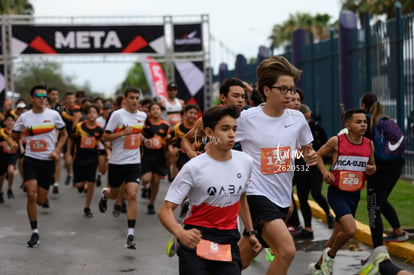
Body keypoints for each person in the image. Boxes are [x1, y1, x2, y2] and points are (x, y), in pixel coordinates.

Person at [236, 56, 318, 274]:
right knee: (286, 250)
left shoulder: (297, 118)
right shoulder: (247, 118)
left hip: (281, 198)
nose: (289, 95)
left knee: (240, 259)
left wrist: (310, 156)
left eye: (291, 89)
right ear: (266, 90)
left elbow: (307, 149)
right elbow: (215, 138)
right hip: (255, 194)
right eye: (283, 89)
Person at [158, 105, 261, 275]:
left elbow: (241, 198)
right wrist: (180, 233)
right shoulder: (194, 167)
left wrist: (250, 232)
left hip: (228, 239)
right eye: (225, 129)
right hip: (196, 238)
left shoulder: (245, 162)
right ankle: (179, 242)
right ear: (209, 132)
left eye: (234, 129)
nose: (231, 134)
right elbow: (165, 210)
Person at [308, 109, 376, 275]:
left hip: (354, 194)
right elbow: (318, 156)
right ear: (347, 125)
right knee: (350, 230)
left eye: (365, 122)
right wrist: (325, 173)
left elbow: (373, 167)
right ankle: (330, 257)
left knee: (336, 235)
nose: (363, 125)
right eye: (358, 122)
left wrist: (370, 169)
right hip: (337, 193)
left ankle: (317, 267)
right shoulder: (336, 141)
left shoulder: (369, 144)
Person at [7, 84, 68, 247]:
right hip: (31, 159)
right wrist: (12, 143)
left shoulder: (54, 115)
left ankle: (44, 199)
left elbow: (64, 134)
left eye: (44, 97)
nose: (42, 100)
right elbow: (11, 135)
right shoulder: (24, 117)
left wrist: (57, 150)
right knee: (31, 195)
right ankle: (34, 232)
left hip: (47, 161)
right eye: (39, 97)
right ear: (32, 98)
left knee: (40, 199)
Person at [98, 87, 147, 249]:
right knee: (113, 193)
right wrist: (122, 133)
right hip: (117, 162)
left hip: (134, 162)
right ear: (125, 99)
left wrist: (143, 139)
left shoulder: (142, 115)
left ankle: (130, 235)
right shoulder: (117, 115)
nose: (134, 101)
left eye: (137, 98)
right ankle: (105, 194)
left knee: (132, 194)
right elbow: (104, 137)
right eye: (131, 98)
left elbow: (138, 132)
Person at [360, 93, 408, 246]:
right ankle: (398, 232)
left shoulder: (366, 122)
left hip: (378, 169)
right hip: (395, 167)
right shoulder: (385, 120)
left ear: (363, 106)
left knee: (373, 208)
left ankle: (378, 251)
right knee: (380, 201)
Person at [293, 104, 334, 240]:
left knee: (316, 192)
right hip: (300, 165)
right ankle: (308, 228)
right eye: (305, 119)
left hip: (315, 164)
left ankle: (328, 214)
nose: (307, 121)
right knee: (302, 196)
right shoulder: (293, 130)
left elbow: (325, 144)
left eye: (309, 118)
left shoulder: (316, 128)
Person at [181, 77, 246, 160]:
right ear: (223, 98)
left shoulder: (248, 117)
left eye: (243, 97)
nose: (240, 100)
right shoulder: (211, 117)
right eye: (236, 96)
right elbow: (186, 139)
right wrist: (191, 153)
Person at [71, 104, 104, 217]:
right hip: (79, 158)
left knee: (91, 183)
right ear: (86, 114)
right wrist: (69, 154)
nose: (92, 114)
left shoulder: (99, 129)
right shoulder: (80, 126)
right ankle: (81, 185)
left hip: (92, 159)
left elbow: (104, 142)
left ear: (97, 114)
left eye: (94, 112)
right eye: (89, 112)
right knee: (79, 184)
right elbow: (72, 138)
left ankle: (87, 207)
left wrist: (109, 153)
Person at [140, 102, 170, 215]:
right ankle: (145, 187)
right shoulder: (145, 124)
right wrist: (144, 140)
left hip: (159, 156)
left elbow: (168, 140)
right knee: (146, 178)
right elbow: (139, 134)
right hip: (147, 155)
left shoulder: (165, 125)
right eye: (153, 109)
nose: (156, 111)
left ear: (161, 111)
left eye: (158, 109)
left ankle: (151, 203)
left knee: (156, 181)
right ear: (150, 112)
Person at [0, 114, 20, 202]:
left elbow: (19, 143)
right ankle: (0, 191)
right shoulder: (1, 131)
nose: (10, 122)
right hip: (2, 155)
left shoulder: (16, 133)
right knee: (1, 176)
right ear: (4, 122)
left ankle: (9, 188)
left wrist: (17, 146)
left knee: (11, 171)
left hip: (12, 155)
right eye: (8, 120)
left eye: (12, 120)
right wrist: (1, 144)